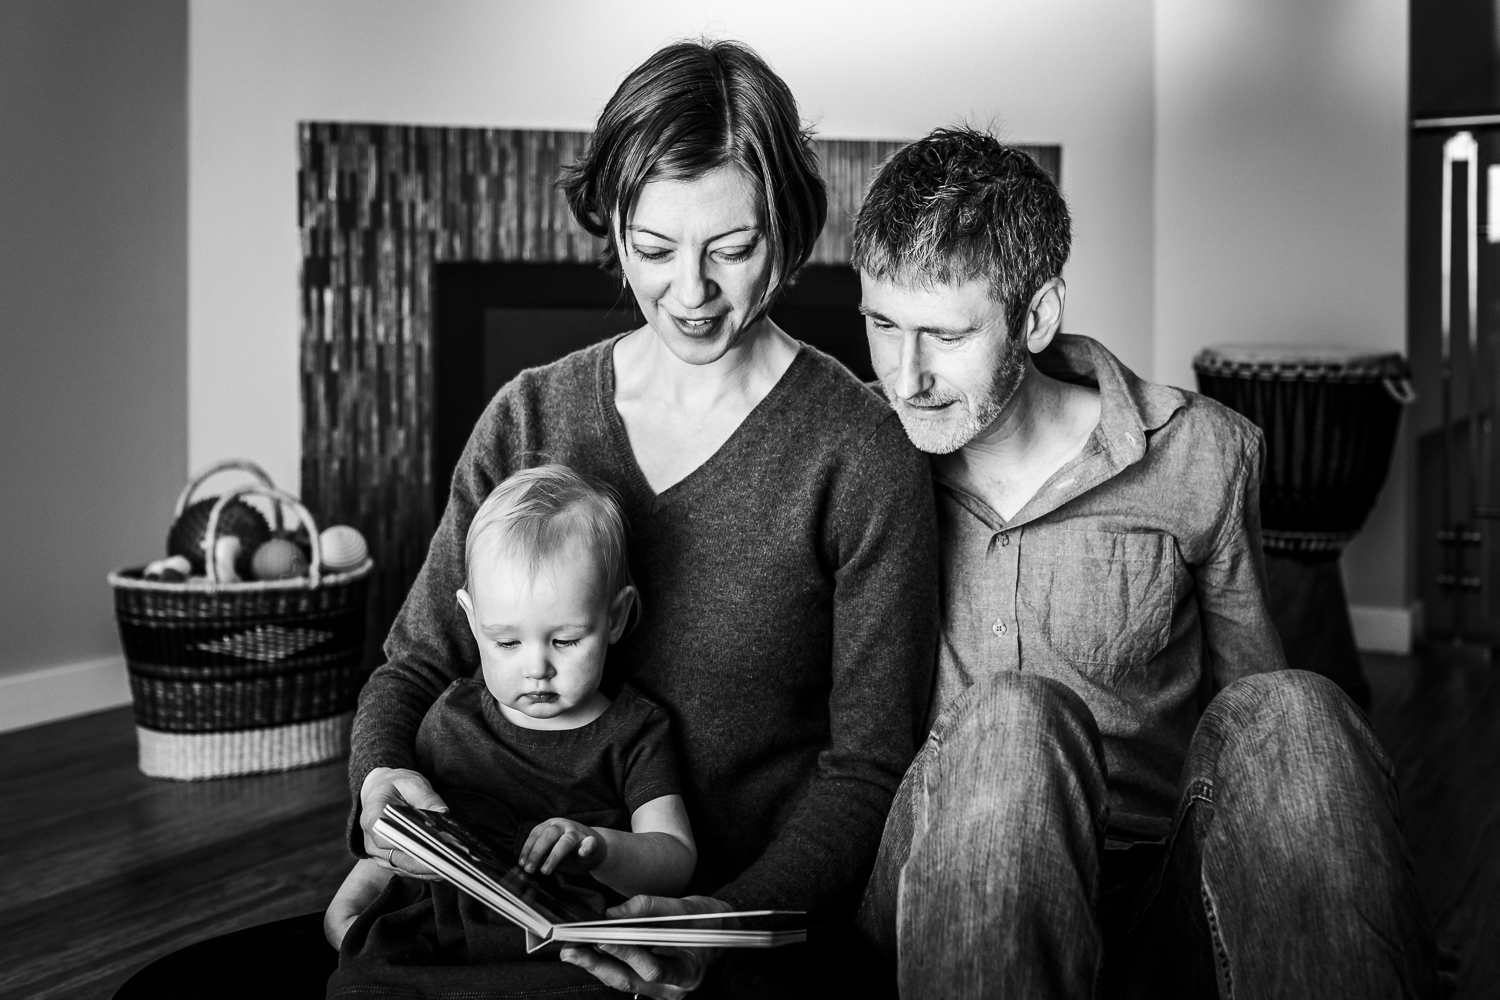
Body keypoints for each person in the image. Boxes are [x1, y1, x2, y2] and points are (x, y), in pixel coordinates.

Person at [116, 39, 936, 1000]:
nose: (691, 292)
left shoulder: (859, 450)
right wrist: (381, 794)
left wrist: (717, 922)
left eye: (732, 247)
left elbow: (869, 767)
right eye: (655, 247)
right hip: (491, 914)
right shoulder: (530, 415)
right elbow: (416, 665)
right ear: (614, 228)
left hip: (709, 928)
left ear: (788, 234)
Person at [849, 127, 1440, 999]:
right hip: (939, 878)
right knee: (1011, 718)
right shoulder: (857, 449)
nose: (905, 378)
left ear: (1038, 315)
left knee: (1296, 710)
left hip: (1156, 882)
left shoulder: (1202, 453)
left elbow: (1254, 726)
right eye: (881, 325)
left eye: (944, 335)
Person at [323, 465, 695, 995]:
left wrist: (602, 848)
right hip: (440, 942)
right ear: (472, 622)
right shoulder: (452, 720)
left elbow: (675, 858)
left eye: (565, 640)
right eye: (506, 642)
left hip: (562, 948)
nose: (536, 667)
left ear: (616, 617)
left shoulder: (634, 732)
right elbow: (408, 838)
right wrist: (352, 901)